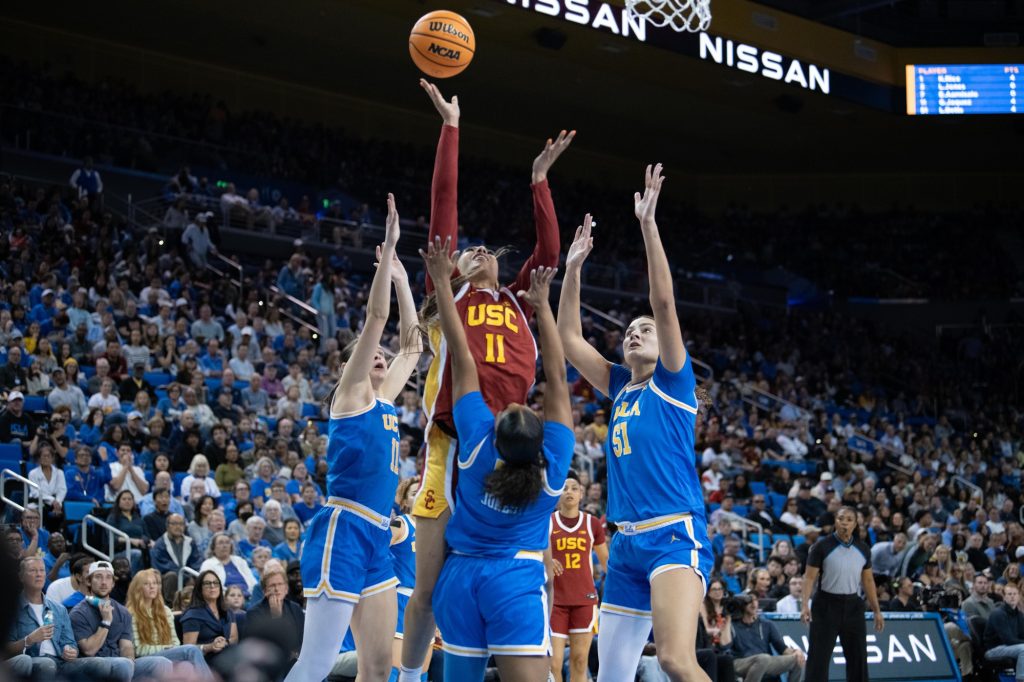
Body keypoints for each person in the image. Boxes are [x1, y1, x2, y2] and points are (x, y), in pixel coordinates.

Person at [400, 80, 571, 682]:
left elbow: (548, 251)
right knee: (427, 582)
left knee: (511, 557)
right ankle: (409, 674)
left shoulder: (521, 300)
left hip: (509, 447)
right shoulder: (446, 290)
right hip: (453, 443)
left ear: (502, 264)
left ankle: (516, 657)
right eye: (463, 250)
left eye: (482, 248)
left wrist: (539, 181)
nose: (471, 250)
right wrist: (452, 127)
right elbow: (443, 202)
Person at [558, 167, 714, 682]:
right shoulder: (623, 386)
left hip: (673, 534)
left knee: (673, 659)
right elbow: (568, 340)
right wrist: (574, 268)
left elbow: (663, 303)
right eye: (628, 330)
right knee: (612, 672)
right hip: (624, 544)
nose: (635, 333)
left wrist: (648, 224)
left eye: (643, 330)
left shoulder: (673, 382)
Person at [285, 193, 421, 682]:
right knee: (317, 661)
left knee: (380, 667)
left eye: (382, 357)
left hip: (378, 536)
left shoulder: (385, 401)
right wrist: (387, 253)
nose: (381, 356)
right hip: (342, 528)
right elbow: (377, 320)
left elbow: (412, 343)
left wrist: (406, 281)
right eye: (371, 357)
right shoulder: (350, 395)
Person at [423, 238, 573, 681]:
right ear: (540, 441)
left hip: (460, 579)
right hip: (515, 580)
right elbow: (560, 377)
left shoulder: (473, 447)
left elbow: (462, 355)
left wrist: (439, 283)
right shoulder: (550, 474)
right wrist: (543, 308)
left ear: (496, 431)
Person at [801, 507, 884, 682]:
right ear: (835, 522)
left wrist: (877, 610)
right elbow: (809, 578)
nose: (844, 522)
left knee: (858, 658)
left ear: (855, 524)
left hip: (853, 605)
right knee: (818, 658)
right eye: (840, 518)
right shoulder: (821, 546)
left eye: (848, 519)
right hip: (825, 604)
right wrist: (804, 606)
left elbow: (868, 581)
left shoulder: (863, 548)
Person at [69, 560, 173, 681]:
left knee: (162, 663)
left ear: (113, 583)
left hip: (122, 664)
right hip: (94, 664)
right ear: (88, 581)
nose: (104, 582)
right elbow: (89, 650)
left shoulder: (123, 611)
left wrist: (129, 660)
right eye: (98, 577)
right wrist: (106, 621)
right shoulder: (78, 613)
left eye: (108, 578)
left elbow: (126, 646)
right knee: (122, 664)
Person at [549, 470, 608, 682]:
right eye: (564, 488)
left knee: (580, 660)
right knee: (553, 663)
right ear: (557, 493)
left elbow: (606, 563)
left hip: (584, 600)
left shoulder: (592, 524)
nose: (569, 492)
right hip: (555, 600)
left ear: (581, 494)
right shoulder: (547, 522)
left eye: (574, 488)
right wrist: (547, 561)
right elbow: (533, 555)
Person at [125, 569, 211, 676]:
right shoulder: (131, 613)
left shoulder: (165, 611)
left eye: (155, 583)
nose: (152, 587)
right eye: (146, 584)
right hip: (143, 659)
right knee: (191, 650)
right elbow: (139, 650)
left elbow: (175, 643)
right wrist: (165, 648)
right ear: (137, 588)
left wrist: (169, 648)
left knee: (186, 666)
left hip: (167, 653)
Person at [731, 593, 805, 682]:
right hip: (740, 661)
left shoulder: (766, 624)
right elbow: (725, 647)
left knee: (797, 658)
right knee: (763, 658)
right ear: (741, 604)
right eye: (749, 601)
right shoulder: (732, 624)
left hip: (765, 662)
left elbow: (782, 648)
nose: (753, 604)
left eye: (755, 600)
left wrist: (795, 652)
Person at [243, 566, 305, 664]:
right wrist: (277, 617)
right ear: (264, 591)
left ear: (286, 588)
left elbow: (303, 638)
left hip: (297, 660)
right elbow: (259, 646)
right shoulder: (254, 613)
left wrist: (297, 654)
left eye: (280, 584)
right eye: (272, 585)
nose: (276, 589)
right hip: (269, 662)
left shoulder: (295, 608)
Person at [181, 570, 238, 658]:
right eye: (207, 583)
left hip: (229, 654)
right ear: (200, 588)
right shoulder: (192, 615)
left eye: (216, 583)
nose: (212, 586)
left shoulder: (227, 611)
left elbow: (234, 638)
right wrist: (210, 647)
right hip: (206, 659)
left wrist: (224, 643)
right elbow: (188, 649)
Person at [982, 581, 1024, 680]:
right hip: (993, 649)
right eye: (1009, 594)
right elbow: (1008, 640)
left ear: (1019, 596)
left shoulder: (1019, 615)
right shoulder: (998, 614)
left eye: (1015, 594)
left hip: (1010, 647)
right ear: (1004, 597)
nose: (1012, 597)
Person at [200, 532, 258, 598]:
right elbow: (208, 588)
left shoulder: (240, 561)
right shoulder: (208, 564)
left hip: (248, 596)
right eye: (221, 543)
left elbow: (253, 582)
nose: (224, 546)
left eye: (227, 542)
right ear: (213, 548)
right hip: (224, 598)